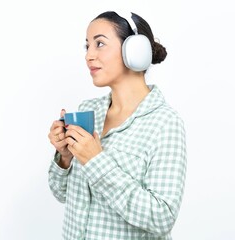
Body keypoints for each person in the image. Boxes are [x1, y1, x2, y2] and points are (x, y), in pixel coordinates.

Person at [48, 10, 187, 240]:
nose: (89, 56)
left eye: (100, 44)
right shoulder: (88, 111)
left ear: (135, 50)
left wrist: (95, 161)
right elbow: (61, 193)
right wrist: (64, 157)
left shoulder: (165, 123)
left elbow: (162, 218)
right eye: (87, 46)